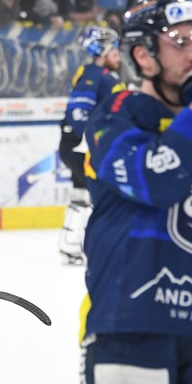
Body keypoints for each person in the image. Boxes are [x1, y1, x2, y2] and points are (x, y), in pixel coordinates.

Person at [81, 0, 192, 384]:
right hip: (132, 326)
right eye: (181, 42)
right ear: (144, 56)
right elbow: (158, 181)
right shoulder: (118, 112)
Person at [57, 25, 125, 265]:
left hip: (78, 146)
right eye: (114, 49)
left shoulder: (99, 74)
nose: (118, 54)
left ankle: (71, 245)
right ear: (103, 51)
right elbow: (77, 112)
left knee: (82, 194)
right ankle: (101, 247)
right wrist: (96, 141)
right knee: (106, 196)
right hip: (83, 147)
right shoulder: (94, 74)